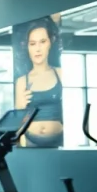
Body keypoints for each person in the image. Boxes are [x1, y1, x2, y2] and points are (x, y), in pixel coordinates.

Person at [14, 17, 64, 148]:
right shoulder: (21, 81)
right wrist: (21, 106)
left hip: (59, 139)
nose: (38, 48)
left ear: (50, 43)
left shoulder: (60, 73)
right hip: (31, 140)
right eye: (32, 43)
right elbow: (17, 121)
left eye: (42, 42)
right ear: (28, 47)